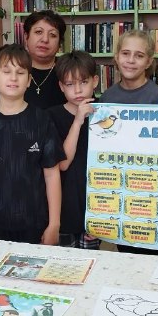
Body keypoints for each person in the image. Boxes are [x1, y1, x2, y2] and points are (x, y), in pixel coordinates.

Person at [0, 43, 65, 244]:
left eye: (20, 72)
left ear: (29, 80)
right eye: (6, 71)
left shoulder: (42, 120)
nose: (13, 78)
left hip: (34, 222)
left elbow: (52, 175)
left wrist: (54, 224)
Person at [47, 50, 100, 249]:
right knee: (64, 261)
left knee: (92, 259)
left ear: (95, 81)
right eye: (70, 84)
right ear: (61, 86)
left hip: (95, 207)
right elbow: (63, 163)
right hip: (66, 208)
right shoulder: (51, 116)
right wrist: (78, 121)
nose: (78, 90)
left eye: (84, 82)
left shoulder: (106, 113)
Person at [0, 10, 67, 109]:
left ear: (60, 43)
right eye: (38, 32)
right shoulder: (11, 70)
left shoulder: (69, 70)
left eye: (52, 35)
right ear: (26, 37)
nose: (45, 39)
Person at [98, 29, 158, 104]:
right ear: (117, 57)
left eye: (139, 56)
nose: (131, 60)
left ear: (148, 62)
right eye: (125, 53)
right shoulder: (106, 97)